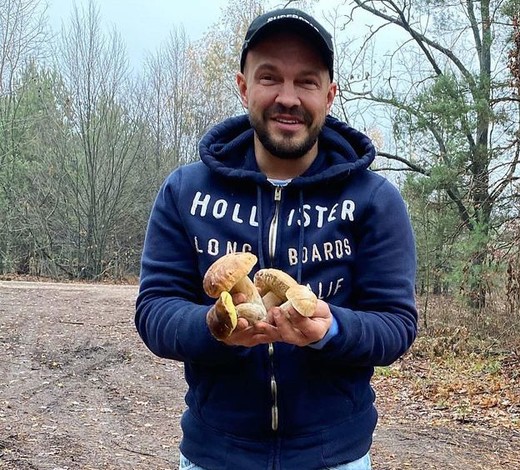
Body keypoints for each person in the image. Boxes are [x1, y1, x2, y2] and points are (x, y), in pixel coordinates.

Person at [134, 7, 418, 470]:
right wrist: (215, 330)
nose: (288, 97)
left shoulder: (374, 200)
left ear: (329, 94)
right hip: (215, 456)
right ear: (244, 86)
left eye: (306, 81)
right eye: (270, 78)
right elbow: (154, 310)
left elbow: (395, 325)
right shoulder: (186, 192)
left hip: (334, 457)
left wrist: (332, 330)